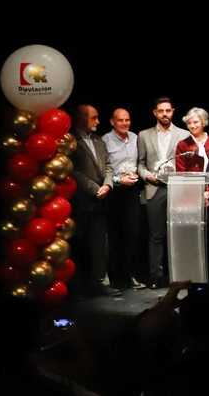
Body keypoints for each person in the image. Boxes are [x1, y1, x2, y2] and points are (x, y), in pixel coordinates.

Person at [67, 105, 114, 298]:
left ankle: (101, 283)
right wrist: (95, 189)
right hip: (82, 202)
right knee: (79, 246)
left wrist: (108, 185)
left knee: (100, 246)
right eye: (94, 118)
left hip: (101, 202)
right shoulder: (70, 141)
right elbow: (72, 170)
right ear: (81, 119)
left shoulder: (98, 140)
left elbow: (109, 165)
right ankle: (78, 287)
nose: (98, 121)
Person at [137, 95, 181, 286]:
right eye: (161, 111)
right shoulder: (144, 135)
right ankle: (155, 276)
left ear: (173, 112)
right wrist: (148, 176)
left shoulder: (183, 134)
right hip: (154, 189)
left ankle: (177, 275)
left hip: (176, 189)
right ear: (155, 113)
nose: (165, 114)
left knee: (177, 234)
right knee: (156, 235)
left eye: (168, 110)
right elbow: (140, 163)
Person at [102, 107, 144, 288]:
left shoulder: (135, 138)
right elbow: (104, 168)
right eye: (120, 120)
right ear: (112, 122)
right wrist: (119, 180)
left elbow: (140, 162)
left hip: (132, 192)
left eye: (127, 120)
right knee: (114, 236)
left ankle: (130, 274)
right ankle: (114, 277)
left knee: (133, 234)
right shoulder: (105, 140)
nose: (125, 123)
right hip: (114, 193)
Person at [174, 107, 209, 173]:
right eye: (189, 123)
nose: (192, 126)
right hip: (190, 180)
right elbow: (180, 171)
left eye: (195, 122)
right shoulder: (183, 144)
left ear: (203, 123)